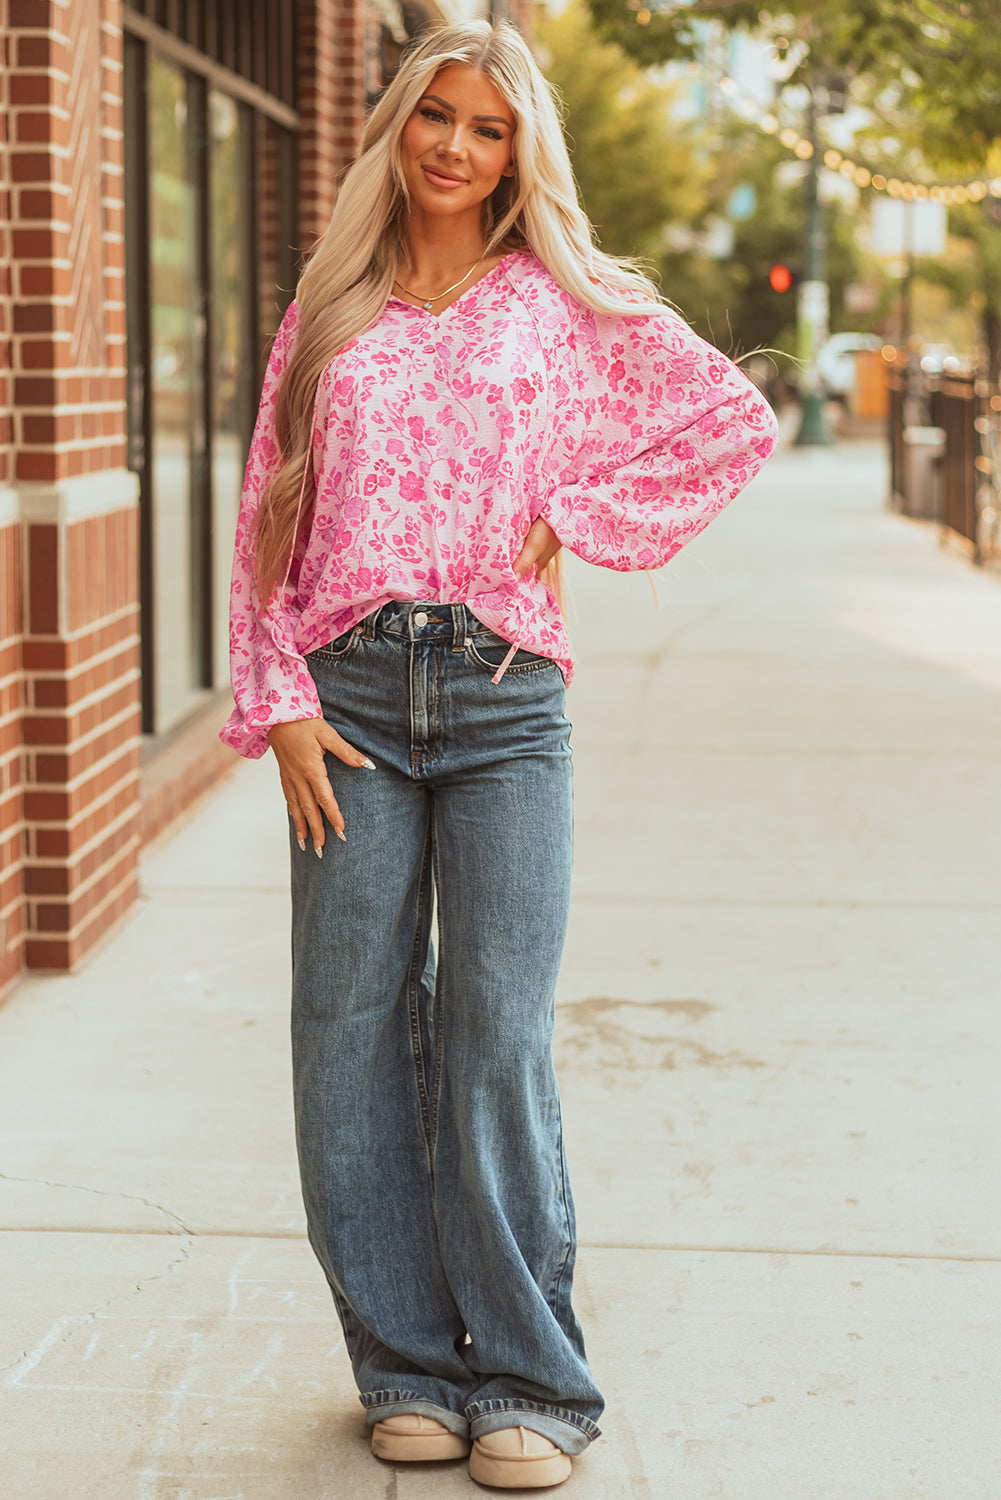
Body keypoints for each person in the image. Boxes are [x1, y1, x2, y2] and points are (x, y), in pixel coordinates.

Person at [221, 18, 777, 1491]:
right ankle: (405, 1362)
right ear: (397, 130)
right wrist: (276, 696)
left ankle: (531, 1380)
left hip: (501, 701)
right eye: (434, 119)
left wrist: (584, 518)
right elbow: (264, 502)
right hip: (343, 702)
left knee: (494, 1036)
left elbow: (730, 419)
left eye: (485, 127)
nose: (455, 148)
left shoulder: (564, 305)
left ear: (519, 152)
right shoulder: (333, 302)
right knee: (344, 1037)